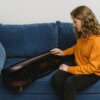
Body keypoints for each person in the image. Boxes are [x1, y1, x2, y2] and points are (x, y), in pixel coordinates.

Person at [50, 5, 100, 100]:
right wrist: (63, 52)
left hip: (93, 73)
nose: (73, 24)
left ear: (85, 21)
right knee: (56, 78)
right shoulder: (83, 34)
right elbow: (77, 47)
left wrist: (69, 69)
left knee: (70, 82)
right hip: (79, 64)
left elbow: (91, 68)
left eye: (75, 21)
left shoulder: (97, 42)